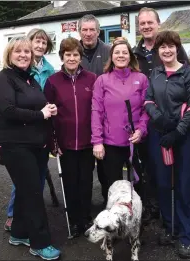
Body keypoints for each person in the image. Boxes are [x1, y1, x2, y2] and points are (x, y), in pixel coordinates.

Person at [0, 36, 60, 260]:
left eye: (27, 52)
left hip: (35, 146)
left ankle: (19, 233)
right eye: (18, 52)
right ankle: (40, 243)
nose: (23, 55)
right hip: (15, 147)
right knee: (32, 194)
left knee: (24, 191)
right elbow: (7, 110)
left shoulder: (29, 79)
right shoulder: (4, 79)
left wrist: (48, 108)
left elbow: (35, 105)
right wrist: (40, 114)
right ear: (9, 55)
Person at [145, 30, 190, 259]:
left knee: (185, 186)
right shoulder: (155, 74)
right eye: (162, 47)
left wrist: (177, 131)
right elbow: (148, 100)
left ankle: (188, 237)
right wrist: (159, 120)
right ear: (158, 51)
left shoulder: (189, 73)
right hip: (160, 135)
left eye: (171, 46)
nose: (167, 50)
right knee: (164, 184)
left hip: (184, 137)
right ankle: (171, 228)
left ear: (177, 48)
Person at [133, 7, 190, 223]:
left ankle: (170, 211)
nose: (146, 26)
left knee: (168, 169)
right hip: (144, 117)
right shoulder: (134, 52)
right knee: (145, 165)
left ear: (158, 24)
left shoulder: (172, 48)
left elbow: (187, 77)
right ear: (139, 26)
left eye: (150, 22)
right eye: (142, 23)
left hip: (170, 120)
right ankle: (150, 206)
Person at [44, 37, 97, 238]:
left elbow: (98, 110)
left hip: (87, 142)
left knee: (86, 182)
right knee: (70, 183)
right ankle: (74, 220)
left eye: (76, 54)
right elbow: (47, 114)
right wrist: (52, 141)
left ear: (81, 57)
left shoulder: (91, 79)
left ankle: (85, 218)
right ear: (62, 57)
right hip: (64, 144)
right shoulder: (53, 81)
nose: (72, 58)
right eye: (68, 55)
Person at [4, 28, 55, 232]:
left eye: (44, 42)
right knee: (23, 178)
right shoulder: (19, 69)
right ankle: (14, 215)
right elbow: (5, 104)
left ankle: (32, 214)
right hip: (21, 128)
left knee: (38, 176)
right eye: (36, 41)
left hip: (41, 127)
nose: (40, 45)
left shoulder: (50, 70)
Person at [91, 37, 149, 198]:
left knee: (139, 184)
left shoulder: (141, 79)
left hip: (135, 142)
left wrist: (141, 130)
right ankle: (113, 218)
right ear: (112, 56)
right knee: (112, 186)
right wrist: (97, 141)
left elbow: (148, 108)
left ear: (130, 56)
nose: (121, 55)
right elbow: (96, 112)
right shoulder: (102, 80)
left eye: (125, 52)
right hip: (111, 144)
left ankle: (139, 216)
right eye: (117, 52)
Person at [78, 14, 111, 203]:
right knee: (84, 170)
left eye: (92, 30)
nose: (88, 34)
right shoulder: (73, 52)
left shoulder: (109, 51)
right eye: (85, 30)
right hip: (82, 121)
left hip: (106, 121)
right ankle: (84, 210)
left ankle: (110, 206)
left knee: (106, 169)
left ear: (98, 32)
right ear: (79, 31)